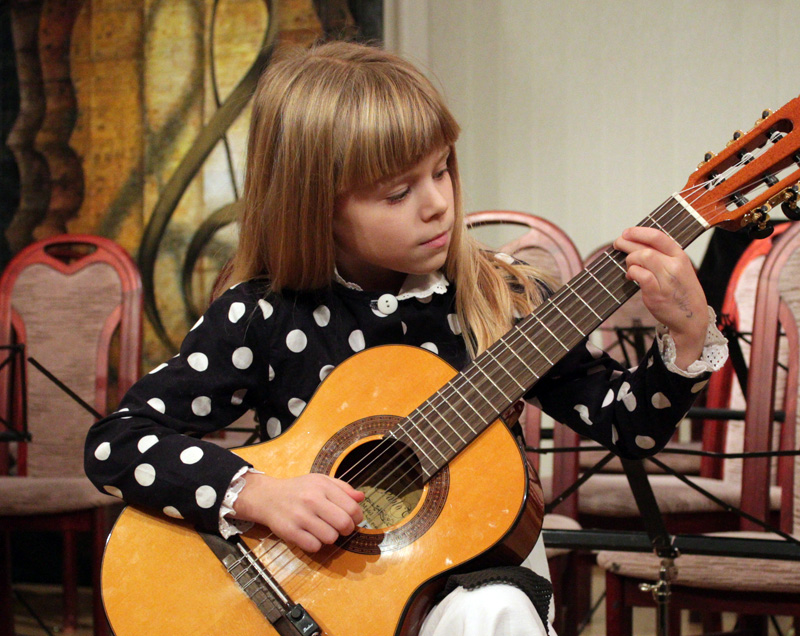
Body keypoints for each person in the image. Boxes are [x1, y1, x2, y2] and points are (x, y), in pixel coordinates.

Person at [85, 41, 727, 636]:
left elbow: (629, 426)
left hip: (470, 591)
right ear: (316, 205)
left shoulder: (502, 300)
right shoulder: (264, 314)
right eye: (398, 192)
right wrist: (260, 494)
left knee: (495, 613)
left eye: (442, 170)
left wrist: (688, 336)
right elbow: (118, 442)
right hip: (321, 600)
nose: (438, 203)